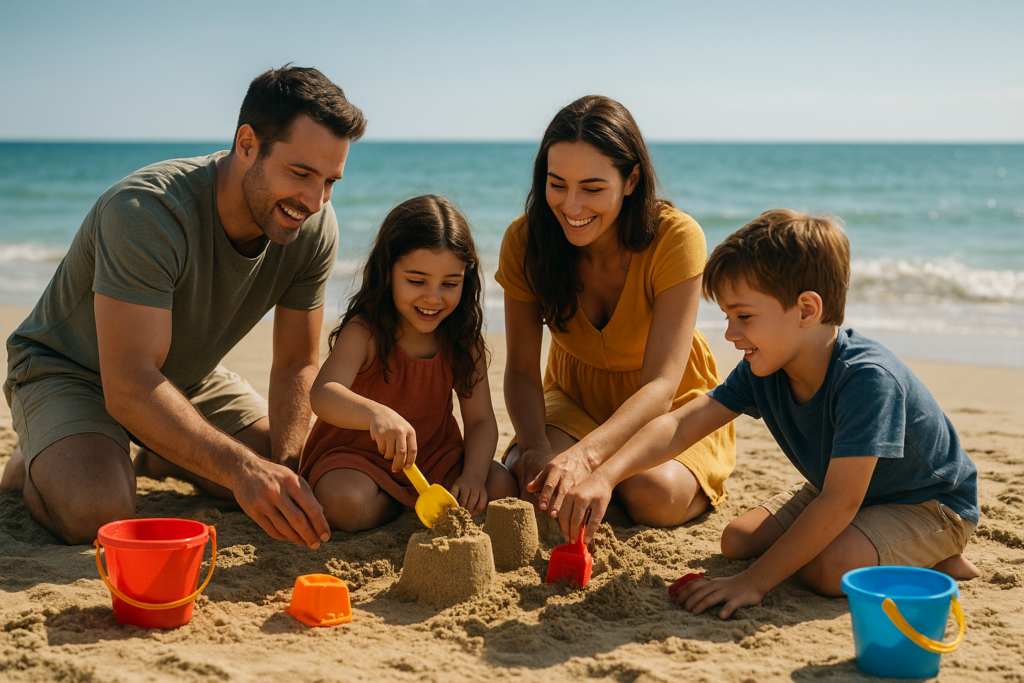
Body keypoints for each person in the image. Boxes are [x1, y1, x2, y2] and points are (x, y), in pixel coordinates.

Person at [0, 65, 365, 548]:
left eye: (330, 181)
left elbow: (298, 362)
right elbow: (129, 385)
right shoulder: (146, 212)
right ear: (248, 143)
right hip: (69, 370)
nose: (315, 201)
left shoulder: (312, 226)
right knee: (97, 511)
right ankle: (37, 457)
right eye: (300, 173)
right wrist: (242, 468)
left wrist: (286, 473)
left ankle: (160, 454)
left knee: (298, 479)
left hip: (186, 377)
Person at [559, 209, 981, 619]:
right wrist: (605, 475)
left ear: (806, 310)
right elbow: (680, 423)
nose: (730, 334)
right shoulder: (766, 367)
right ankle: (881, 546)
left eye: (743, 316)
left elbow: (840, 501)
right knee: (737, 540)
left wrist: (752, 583)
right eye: (727, 317)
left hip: (927, 504)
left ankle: (941, 557)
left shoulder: (868, 380)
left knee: (827, 568)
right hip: (846, 491)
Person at [495, 95, 735, 535]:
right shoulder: (525, 241)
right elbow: (523, 370)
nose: (571, 206)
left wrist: (587, 458)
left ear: (631, 180)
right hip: (574, 394)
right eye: (557, 184)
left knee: (652, 498)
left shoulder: (676, 238)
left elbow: (661, 386)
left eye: (591, 188)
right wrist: (532, 446)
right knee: (537, 485)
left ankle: (616, 486)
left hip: (666, 402)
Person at [298, 195, 517, 532]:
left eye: (449, 284)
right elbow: (323, 394)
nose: (433, 298)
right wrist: (375, 414)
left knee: (501, 486)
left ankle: (408, 500)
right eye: (417, 281)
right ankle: (398, 504)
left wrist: (473, 476)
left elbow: (482, 421)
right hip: (358, 459)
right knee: (345, 502)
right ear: (388, 272)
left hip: (432, 457)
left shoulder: (462, 339)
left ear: (466, 278)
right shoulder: (365, 331)